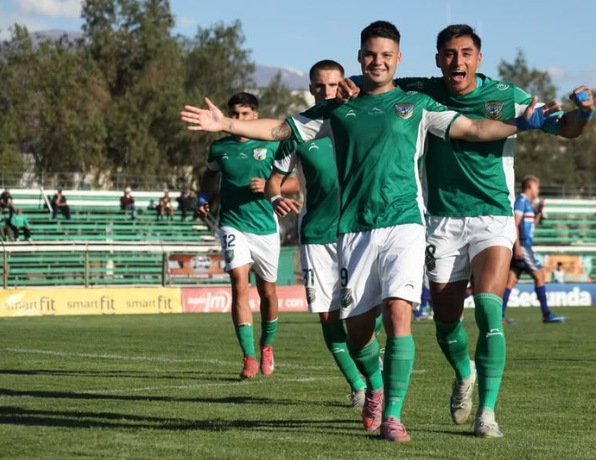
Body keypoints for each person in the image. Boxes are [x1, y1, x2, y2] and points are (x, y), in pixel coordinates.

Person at [181, 20, 559, 442]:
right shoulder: (338, 107)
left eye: (386, 55)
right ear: (359, 59)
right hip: (354, 230)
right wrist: (226, 125)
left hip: (407, 225)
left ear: (398, 59)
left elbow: (475, 129)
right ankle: (375, 387)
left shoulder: (416, 104)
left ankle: (393, 415)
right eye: (369, 54)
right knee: (359, 330)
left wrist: (525, 124)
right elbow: (278, 130)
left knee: (400, 315)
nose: (377, 61)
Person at [339, 23, 593, 438]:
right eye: (449, 54)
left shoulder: (507, 97)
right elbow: (372, 82)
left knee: (490, 308)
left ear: (478, 57)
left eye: (466, 53)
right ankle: (465, 374)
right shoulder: (420, 91)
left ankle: (487, 413)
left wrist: (583, 115)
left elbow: (562, 128)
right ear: (439, 60)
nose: (458, 61)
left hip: (492, 216)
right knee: (445, 323)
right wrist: (347, 86)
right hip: (440, 220)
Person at [264, 59, 375, 411]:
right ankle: (359, 385)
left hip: (359, 229)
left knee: (366, 312)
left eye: (333, 85)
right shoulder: (299, 129)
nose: (327, 92)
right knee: (328, 315)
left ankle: (376, 375)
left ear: (343, 84)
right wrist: (277, 197)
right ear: (311, 88)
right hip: (316, 234)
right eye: (320, 86)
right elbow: (274, 179)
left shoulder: (361, 119)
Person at [195, 92, 292, 380]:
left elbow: (295, 180)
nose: (238, 120)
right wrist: (204, 197)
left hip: (265, 226)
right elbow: (209, 176)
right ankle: (249, 356)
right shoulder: (219, 147)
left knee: (268, 292)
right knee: (239, 284)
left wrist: (271, 185)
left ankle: (266, 346)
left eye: (245, 115)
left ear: (256, 115)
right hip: (231, 223)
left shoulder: (272, 143)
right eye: (234, 115)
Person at [502, 176, 566, 327]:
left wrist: (539, 211)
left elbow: (532, 224)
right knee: (540, 275)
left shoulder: (529, 205)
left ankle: (500, 315)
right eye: (537, 187)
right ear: (530, 186)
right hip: (523, 245)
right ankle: (546, 314)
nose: (539, 190)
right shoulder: (521, 201)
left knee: (511, 281)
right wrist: (517, 246)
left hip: (524, 245)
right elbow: (515, 224)